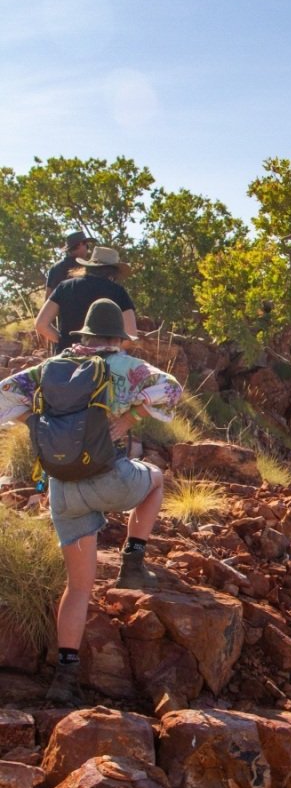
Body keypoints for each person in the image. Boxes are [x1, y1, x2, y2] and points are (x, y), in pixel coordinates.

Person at [0, 298, 183, 707]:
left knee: (78, 586)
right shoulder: (124, 366)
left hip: (63, 489)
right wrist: (131, 418)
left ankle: (64, 677)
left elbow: (3, 395)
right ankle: (133, 563)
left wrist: (36, 422)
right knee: (155, 480)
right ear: (117, 337)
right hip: (109, 479)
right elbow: (172, 390)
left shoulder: (51, 367)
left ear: (85, 333)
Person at [35, 245, 138, 354]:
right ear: (114, 272)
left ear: (89, 267)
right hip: (105, 359)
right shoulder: (118, 292)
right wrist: (105, 347)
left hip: (69, 356)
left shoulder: (65, 286)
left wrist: (64, 341)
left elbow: (41, 324)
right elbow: (131, 336)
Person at [45, 231, 95, 298]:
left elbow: (48, 295)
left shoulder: (55, 268)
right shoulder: (87, 267)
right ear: (80, 244)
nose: (87, 249)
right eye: (86, 245)